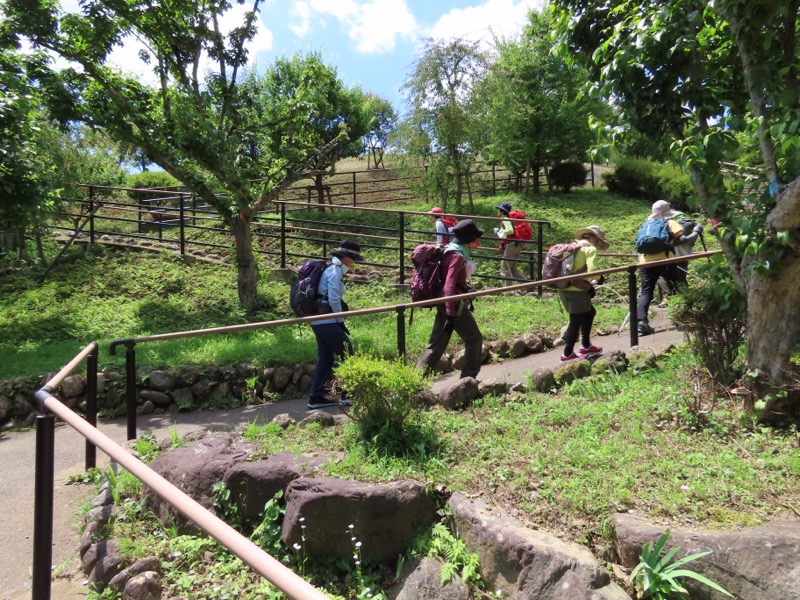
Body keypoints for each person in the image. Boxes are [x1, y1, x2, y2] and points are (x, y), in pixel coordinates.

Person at [415, 219, 484, 380]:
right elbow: (449, 284)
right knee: (474, 338)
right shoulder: (457, 256)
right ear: (469, 239)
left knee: (436, 345)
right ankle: (468, 377)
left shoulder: (447, 250)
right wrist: (450, 312)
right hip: (453, 304)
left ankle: (415, 381)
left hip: (444, 302)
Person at [307, 240, 364, 409]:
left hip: (319, 321)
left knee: (325, 358)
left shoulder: (331, 270)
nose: (354, 263)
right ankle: (348, 394)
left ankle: (315, 397)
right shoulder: (335, 271)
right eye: (353, 259)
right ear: (346, 258)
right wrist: (340, 320)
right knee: (348, 352)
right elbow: (333, 298)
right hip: (327, 321)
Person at [636, 200, 697, 335]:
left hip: (645, 261)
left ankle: (641, 322)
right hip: (665, 260)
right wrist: (697, 231)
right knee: (678, 286)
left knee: (646, 291)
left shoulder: (645, 225)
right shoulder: (669, 223)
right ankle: (686, 317)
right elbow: (683, 240)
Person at [559, 225, 611, 361]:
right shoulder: (589, 249)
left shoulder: (572, 246)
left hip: (563, 286)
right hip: (576, 290)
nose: (599, 244)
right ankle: (567, 353)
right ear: (594, 239)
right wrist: (599, 279)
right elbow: (592, 270)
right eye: (599, 241)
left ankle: (586, 345)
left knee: (589, 312)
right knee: (575, 321)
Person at [493, 201, 525, 285]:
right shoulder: (511, 219)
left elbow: (510, 230)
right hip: (516, 245)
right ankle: (528, 286)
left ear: (502, 210)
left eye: (498, 209)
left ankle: (508, 291)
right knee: (513, 269)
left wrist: (499, 233)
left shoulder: (505, 218)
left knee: (505, 268)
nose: (497, 211)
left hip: (510, 246)